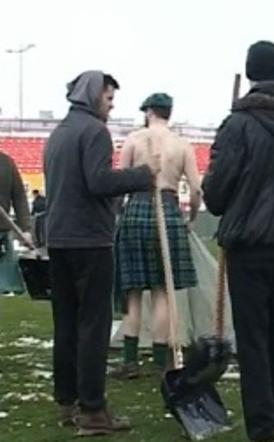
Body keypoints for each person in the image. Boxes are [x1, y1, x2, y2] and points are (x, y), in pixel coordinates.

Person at [201, 40, 274, 442]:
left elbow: (215, 196)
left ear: (251, 73)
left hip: (249, 244)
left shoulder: (238, 125)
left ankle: (264, 427)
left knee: (253, 340)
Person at [44, 70, 158, 435]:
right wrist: (141, 175)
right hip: (90, 242)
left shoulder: (59, 133)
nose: (112, 105)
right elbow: (98, 182)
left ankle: (68, 401)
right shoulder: (94, 132)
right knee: (93, 327)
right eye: (109, 98)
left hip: (59, 241)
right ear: (94, 95)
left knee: (66, 325)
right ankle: (93, 410)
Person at [109, 93, 201, 379]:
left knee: (132, 292)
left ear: (149, 112)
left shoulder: (134, 140)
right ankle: (162, 360)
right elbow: (196, 190)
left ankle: (130, 361)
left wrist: (117, 216)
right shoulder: (182, 144)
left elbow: (120, 182)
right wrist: (192, 218)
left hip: (136, 210)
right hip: (170, 210)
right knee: (163, 291)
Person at [0, 151, 32, 293]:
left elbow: (19, 198)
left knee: (10, 289)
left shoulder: (6, 163)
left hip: (3, 234)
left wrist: (26, 229)